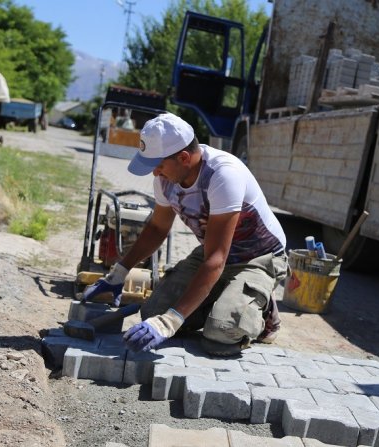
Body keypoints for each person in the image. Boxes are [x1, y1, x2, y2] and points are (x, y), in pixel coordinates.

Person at [82, 112, 287, 356]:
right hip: (215, 251)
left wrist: (171, 321)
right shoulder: (166, 177)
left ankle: (262, 311)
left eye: (158, 165)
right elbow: (157, 228)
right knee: (152, 312)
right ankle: (223, 297)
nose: (155, 173)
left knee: (220, 334)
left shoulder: (223, 174)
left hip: (258, 258)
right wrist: (119, 273)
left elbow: (216, 260)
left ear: (183, 157)